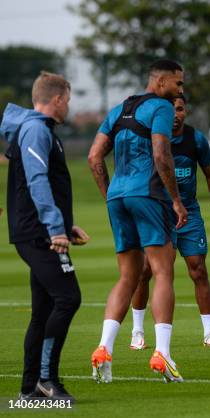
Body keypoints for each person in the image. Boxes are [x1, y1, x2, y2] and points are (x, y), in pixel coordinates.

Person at [88, 59, 187, 383]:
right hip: (148, 195)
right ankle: (163, 353)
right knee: (163, 272)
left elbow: (93, 157)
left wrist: (111, 195)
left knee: (127, 277)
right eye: (178, 83)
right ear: (160, 81)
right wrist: (175, 199)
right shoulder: (161, 107)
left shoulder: (118, 110)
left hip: (118, 196)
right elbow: (161, 154)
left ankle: (103, 349)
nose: (180, 91)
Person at [1, 72, 89, 401]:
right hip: (37, 233)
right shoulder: (36, 130)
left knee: (45, 308)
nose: (69, 105)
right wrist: (55, 228)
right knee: (68, 299)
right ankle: (46, 378)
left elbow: (49, 183)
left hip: (40, 230)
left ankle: (29, 388)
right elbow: (37, 179)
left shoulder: (42, 131)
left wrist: (66, 225)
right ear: (56, 99)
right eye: (67, 99)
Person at [129, 94, 210, 350]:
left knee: (198, 269)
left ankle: (209, 333)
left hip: (190, 213)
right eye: (170, 110)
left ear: (186, 111)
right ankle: (137, 331)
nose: (176, 115)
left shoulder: (196, 139)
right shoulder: (149, 139)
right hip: (157, 213)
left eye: (180, 109)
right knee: (146, 272)